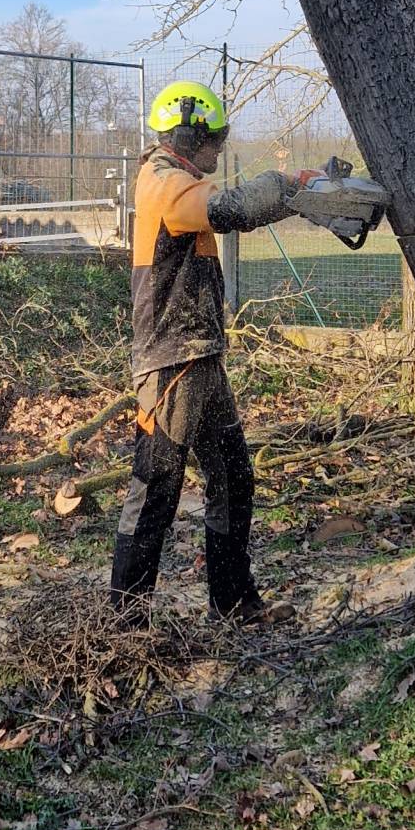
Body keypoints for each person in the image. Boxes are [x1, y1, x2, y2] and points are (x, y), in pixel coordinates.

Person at [109, 79, 293, 618]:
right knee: (156, 487)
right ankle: (123, 625)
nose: (217, 147)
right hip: (172, 361)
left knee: (233, 478)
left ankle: (234, 603)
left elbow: (225, 210)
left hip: (200, 355)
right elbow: (232, 207)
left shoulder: (178, 182)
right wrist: (292, 186)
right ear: (186, 132)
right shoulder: (163, 181)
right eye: (212, 137)